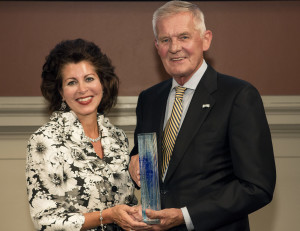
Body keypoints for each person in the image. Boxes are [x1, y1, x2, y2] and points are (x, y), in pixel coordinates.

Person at [129, 1, 276, 230]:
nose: (174, 47)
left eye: (184, 37)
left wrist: (185, 216)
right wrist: (134, 163)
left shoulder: (238, 96)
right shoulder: (149, 99)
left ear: (205, 39)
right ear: (157, 46)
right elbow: (144, 157)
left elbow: (257, 187)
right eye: (166, 40)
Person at [26, 38, 151, 231]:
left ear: (102, 83)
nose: (82, 89)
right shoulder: (44, 141)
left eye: (89, 79)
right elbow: (45, 221)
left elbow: (125, 201)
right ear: (60, 91)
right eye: (71, 82)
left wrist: (137, 212)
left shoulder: (117, 137)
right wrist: (107, 216)